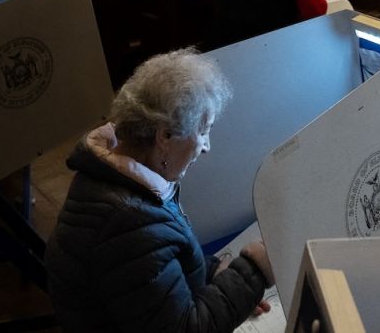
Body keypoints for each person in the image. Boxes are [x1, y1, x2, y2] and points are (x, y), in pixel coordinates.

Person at [45, 48, 274, 333]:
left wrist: (216, 273)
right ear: (165, 136)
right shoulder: (128, 223)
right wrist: (253, 271)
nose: (206, 147)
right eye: (203, 131)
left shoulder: (112, 174)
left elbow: (158, 268)